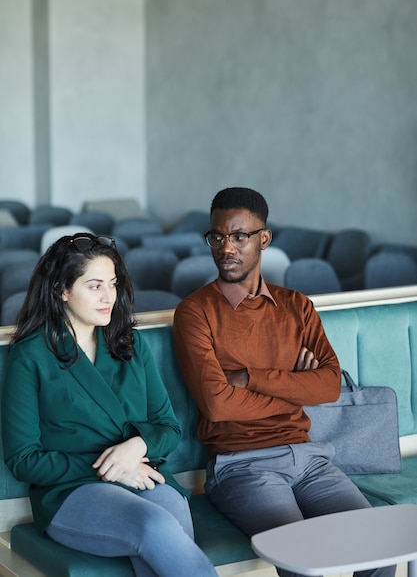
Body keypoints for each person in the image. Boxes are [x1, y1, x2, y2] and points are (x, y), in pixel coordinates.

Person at [173, 187, 395, 577]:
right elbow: (218, 405)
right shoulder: (196, 312)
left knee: (378, 549)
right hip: (242, 465)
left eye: (240, 236)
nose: (227, 247)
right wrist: (295, 388)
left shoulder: (297, 306)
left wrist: (251, 380)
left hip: (310, 460)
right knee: (304, 558)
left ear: (264, 239)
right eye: (217, 236)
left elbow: (327, 386)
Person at [1, 232, 217, 577]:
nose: (109, 297)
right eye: (94, 286)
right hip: (70, 491)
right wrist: (109, 466)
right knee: (155, 525)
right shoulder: (31, 356)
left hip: (143, 473)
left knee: (172, 513)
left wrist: (137, 446)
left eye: (113, 284)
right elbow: (24, 460)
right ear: (62, 290)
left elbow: (168, 427)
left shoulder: (131, 343)